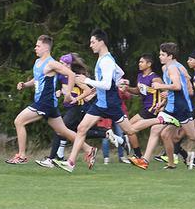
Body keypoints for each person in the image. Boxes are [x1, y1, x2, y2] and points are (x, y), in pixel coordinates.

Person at [57, 29, 148, 171]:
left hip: (111, 104)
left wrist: (87, 80)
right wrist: (114, 83)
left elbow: (106, 84)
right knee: (81, 128)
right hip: (101, 103)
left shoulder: (106, 61)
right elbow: (120, 73)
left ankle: (160, 120)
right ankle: (70, 163)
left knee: (130, 130)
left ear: (101, 42)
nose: (90, 45)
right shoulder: (104, 58)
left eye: (93, 42)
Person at [8, 35, 96, 164]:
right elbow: (37, 79)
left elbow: (70, 74)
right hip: (47, 104)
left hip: (45, 103)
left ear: (45, 47)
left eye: (38, 46)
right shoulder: (38, 62)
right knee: (63, 131)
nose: (35, 48)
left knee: (19, 121)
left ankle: (21, 156)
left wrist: (67, 95)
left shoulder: (51, 63)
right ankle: (89, 149)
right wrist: (25, 85)